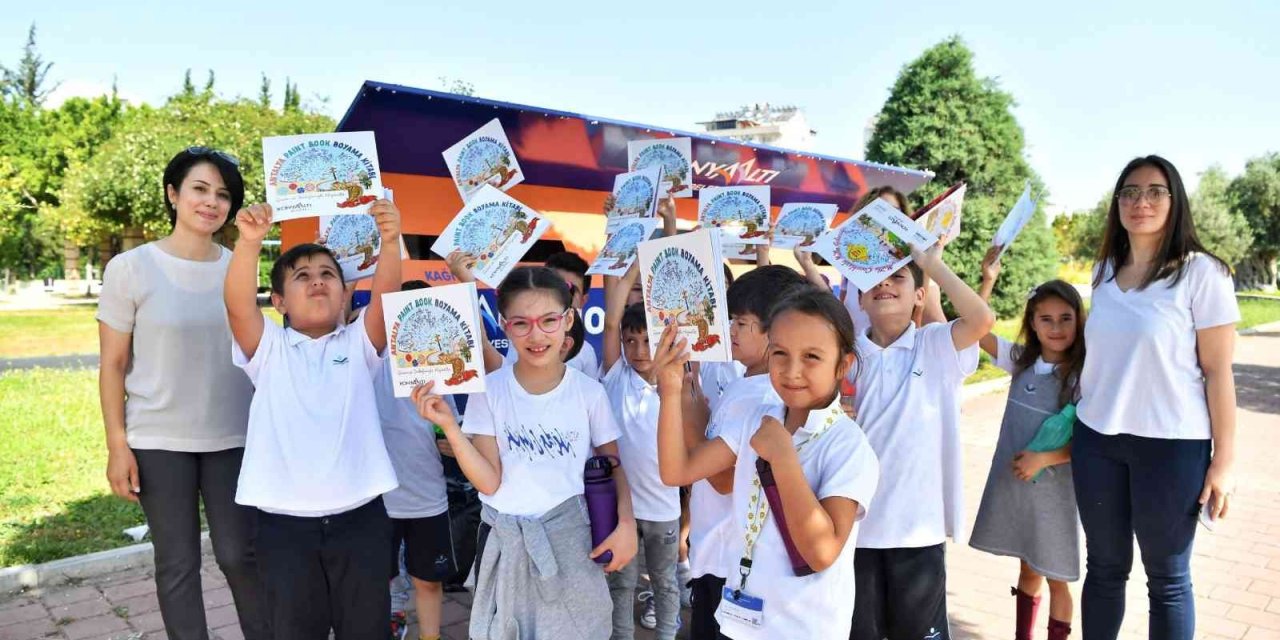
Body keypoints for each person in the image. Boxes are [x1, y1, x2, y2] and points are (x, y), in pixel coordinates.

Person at [97, 147, 269, 640]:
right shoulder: (130, 268)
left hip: (234, 435)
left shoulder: (239, 265)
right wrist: (117, 443)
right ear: (173, 194)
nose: (211, 202)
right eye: (199, 189)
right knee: (176, 564)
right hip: (158, 439)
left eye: (223, 195)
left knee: (241, 555)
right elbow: (112, 365)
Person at [412, 266, 638, 639]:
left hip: (571, 541)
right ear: (504, 324)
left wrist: (626, 525)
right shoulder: (490, 390)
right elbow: (489, 480)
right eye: (521, 323)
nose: (536, 335)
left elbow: (613, 465)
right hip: (507, 543)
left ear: (569, 320)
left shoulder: (588, 393)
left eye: (549, 320)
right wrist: (452, 430)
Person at [1073, 155, 1239, 640]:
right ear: (1117, 204)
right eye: (1129, 192)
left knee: (1167, 580)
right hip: (1097, 440)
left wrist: (1223, 463)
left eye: (1154, 191)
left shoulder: (1203, 273)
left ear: (1175, 200)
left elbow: (1218, 371)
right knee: (1103, 568)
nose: (1140, 201)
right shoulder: (1104, 270)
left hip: (1172, 446)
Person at [653, 285, 880, 639]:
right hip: (739, 620)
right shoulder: (756, 418)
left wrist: (784, 458)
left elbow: (822, 552)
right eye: (780, 353)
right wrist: (670, 389)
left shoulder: (848, 446)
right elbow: (677, 471)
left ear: (844, 364)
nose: (792, 371)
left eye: (812, 357)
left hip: (802, 629)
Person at [224, 200, 402, 639]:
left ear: (345, 294)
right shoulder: (268, 349)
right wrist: (248, 244)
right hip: (282, 528)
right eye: (302, 277)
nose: (317, 282)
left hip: (361, 521)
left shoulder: (361, 345)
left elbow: (389, 299)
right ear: (280, 302)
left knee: (366, 629)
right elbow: (237, 306)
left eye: (327, 275)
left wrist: (392, 240)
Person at [848, 244, 995, 640]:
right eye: (875, 280)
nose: (885, 284)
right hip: (853, 529)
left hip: (918, 530)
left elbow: (981, 319)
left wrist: (933, 266)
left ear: (919, 296)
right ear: (860, 297)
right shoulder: (845, 354)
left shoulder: (935, 344)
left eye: (898, 277)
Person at [969, 249, 1086, 640]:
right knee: (1027, 568)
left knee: (1057, 578)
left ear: (1079, 322)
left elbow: (1088, 439)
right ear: (1032, 324)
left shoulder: (1083, 378)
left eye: (1065, 319)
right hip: (1018, 492)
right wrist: (988, 281)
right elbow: (975, 328)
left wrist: (1044, 458)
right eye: (1046, 319)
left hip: (1055, 495)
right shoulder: (1020, 362)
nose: (1056, 328)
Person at [599, 267, 686, 640]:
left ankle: (667, 634)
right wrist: (633, 263)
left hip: (664, 511)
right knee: (622, 584)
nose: (639, 350)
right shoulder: (616, 374)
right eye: (631, 342)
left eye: (648, 341)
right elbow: (612, 319)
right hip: (624, 511)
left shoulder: (678, 386)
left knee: (665, 582)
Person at [377, 281, 458, 640]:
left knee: (428, 581)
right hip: (378, 499)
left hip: (427, 497)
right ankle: (390, 620)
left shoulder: (441, 370)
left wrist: (450, 441)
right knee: (378, 578)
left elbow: (448, 428)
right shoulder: (369, 361)